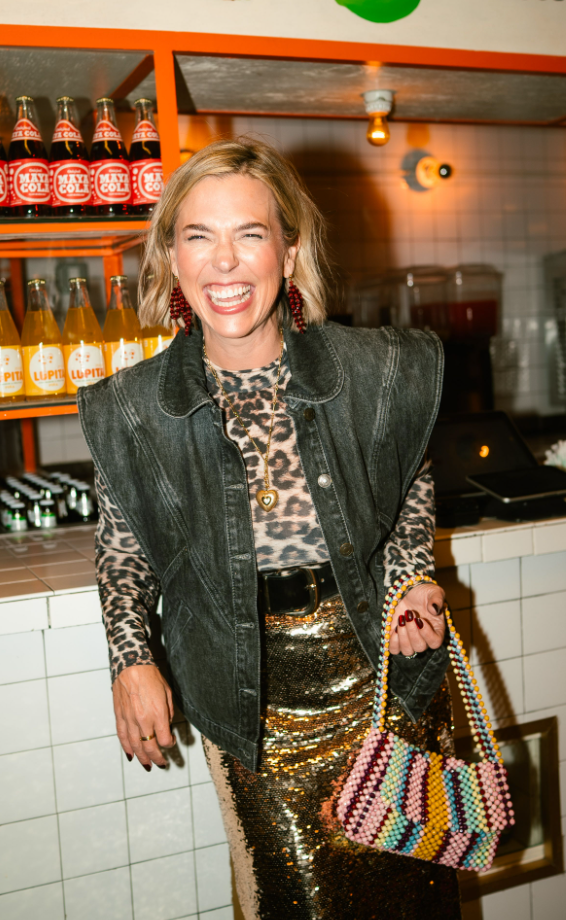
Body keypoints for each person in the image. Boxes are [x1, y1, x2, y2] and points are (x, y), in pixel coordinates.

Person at [78, 138, 461, 920]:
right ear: (171, 258)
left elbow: (407, 486)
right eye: (199, 236)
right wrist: (130, 658)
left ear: (287, 252)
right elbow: (124, 557)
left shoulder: (370, 370)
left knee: (413, 899)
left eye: (249, 234)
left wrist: (411, 580)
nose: (225, 261)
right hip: (246, 692)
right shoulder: (132, 409)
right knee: (291, 901)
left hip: (382, 674)